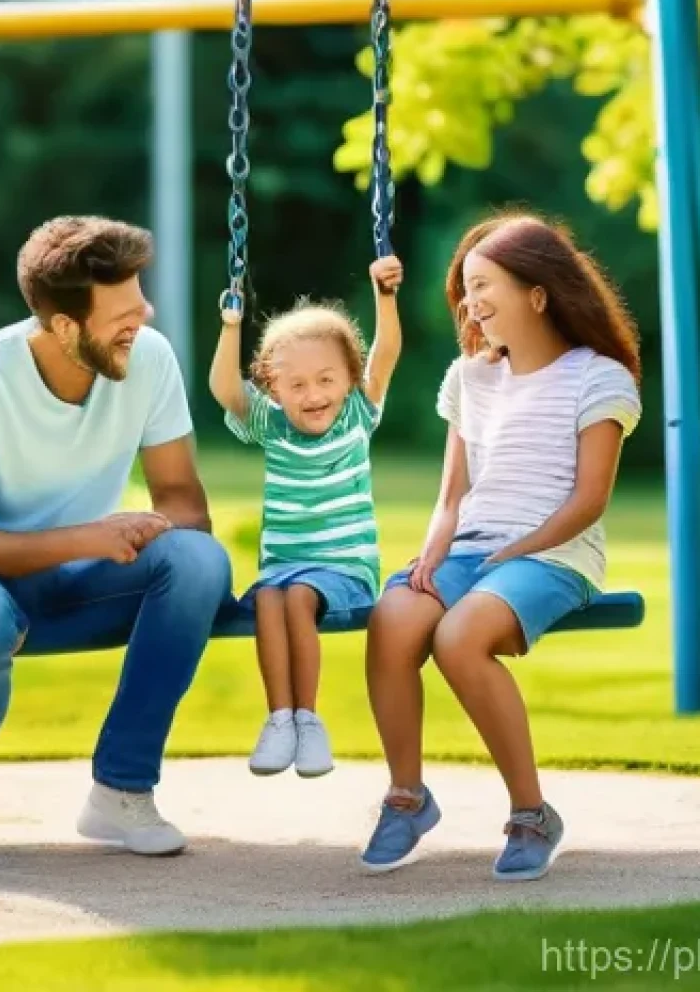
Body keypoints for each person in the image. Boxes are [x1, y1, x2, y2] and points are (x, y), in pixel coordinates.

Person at [0, 215, 233, 864]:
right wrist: (91, 537)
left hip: (78, 576)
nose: (143, 316)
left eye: (140, 300)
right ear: (63, 327)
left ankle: (122, 791)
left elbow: (184, 504)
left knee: (198, 561)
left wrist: (149, 543)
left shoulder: (149, 357)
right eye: (122, 312)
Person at [361, 212, 642, 881]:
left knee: (460, 637)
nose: (470, 302)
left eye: (484, 285)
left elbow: (589, 500)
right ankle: (407, 797)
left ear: (537, 293)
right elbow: (452, 495)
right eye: (465, 288)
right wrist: (431, 553)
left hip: (555, 554)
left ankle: (530, 814)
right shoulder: (469, 377)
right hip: (469, 550)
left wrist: (515, 554)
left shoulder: (598, 376)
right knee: (393, 618)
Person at [209, 256, 403, 778]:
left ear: (348, 378)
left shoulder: (358, 415)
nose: (313, 395)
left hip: (343, 568)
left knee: (295, 597)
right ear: (273, 390)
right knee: (271, 595)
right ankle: (280, 719)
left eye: (325, 380)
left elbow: (385, 353)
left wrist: (384, 296)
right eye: (295, 385)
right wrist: (231, 327)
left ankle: (310, 721)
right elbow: (225, 389)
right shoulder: (272, 426)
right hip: (283, 564)